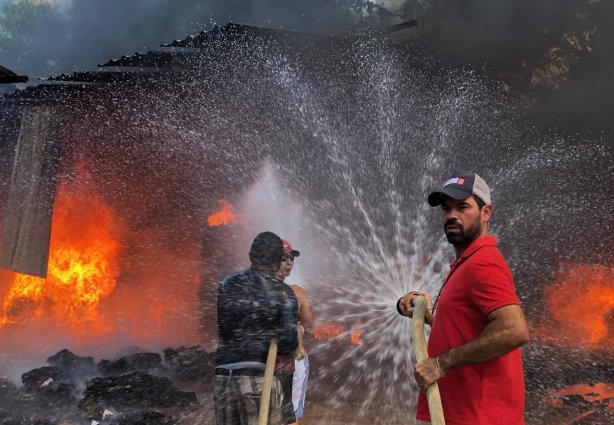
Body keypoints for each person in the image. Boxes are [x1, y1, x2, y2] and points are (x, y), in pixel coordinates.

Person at [397, 171, 530, 424]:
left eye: (462, 207)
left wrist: (440, 364)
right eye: (446, 209)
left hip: (480, 417)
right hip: (464, 415)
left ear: (485, 212)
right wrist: (427, 316)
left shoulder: (484, 263)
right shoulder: (466, 264)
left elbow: (515, 329)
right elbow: (466, 330)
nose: (451, 215)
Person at [214, 231, 298, 425]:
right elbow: (287, 345)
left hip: (223, 378)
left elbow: (225, 329)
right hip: (258, 379)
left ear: (251, 256)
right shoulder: (283, 292)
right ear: (278, 261)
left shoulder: (227, 284)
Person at [275, 240, 315, 425]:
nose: (290, 262)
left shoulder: (252, 291)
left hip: (261, 361)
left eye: (291, 258)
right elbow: (309, 323)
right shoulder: (297, 292)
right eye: (285, 258)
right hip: (291, 359)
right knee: (289, 416)